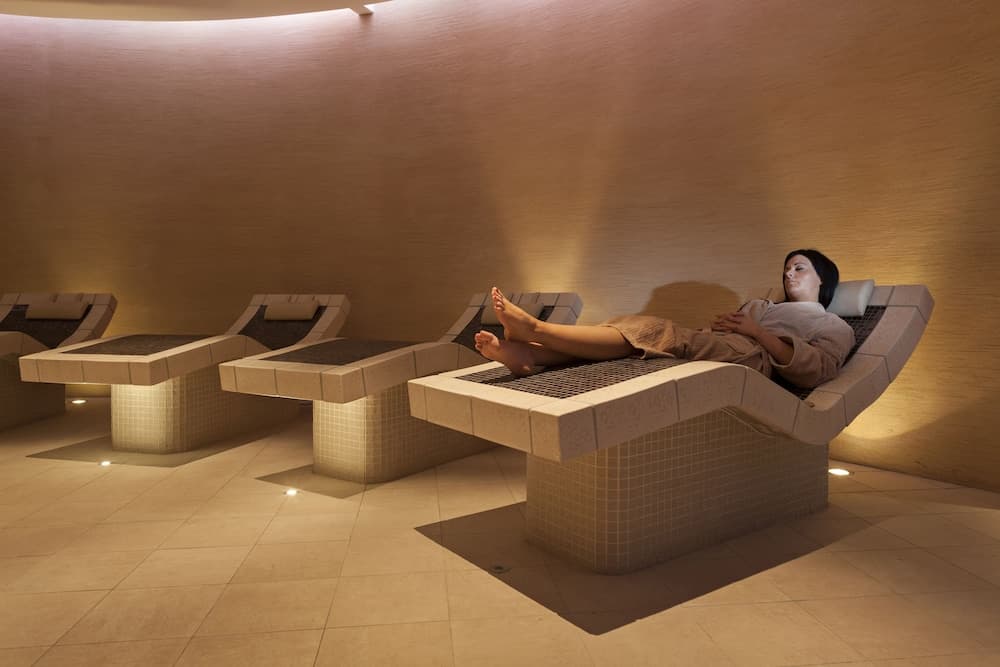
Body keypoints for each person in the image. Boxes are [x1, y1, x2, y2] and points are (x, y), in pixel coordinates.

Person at [474, 249, 855, 389]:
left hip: (755, 362)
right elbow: (721, 333)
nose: (788, 274)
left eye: (799, 268)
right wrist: (719, 328)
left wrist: (756, 332)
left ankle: (535, 330)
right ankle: (531, 355)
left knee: (653, 330)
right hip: (726, 347)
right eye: (787, 268)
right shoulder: (762, 305)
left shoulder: (832, 325)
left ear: (823, 278)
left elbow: (818, 370)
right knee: (636, 340)